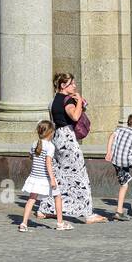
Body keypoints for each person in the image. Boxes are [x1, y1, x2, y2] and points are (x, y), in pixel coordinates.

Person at [38, 72, 106, 223]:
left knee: (59, 176)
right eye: (72, 84)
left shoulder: (53, 101)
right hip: (68, 139)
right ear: (63, 85)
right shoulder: (67, 100)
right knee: (80, 176)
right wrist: (80, 101)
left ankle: (46, 208)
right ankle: (88, 214)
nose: (75, 86)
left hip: (57, 139)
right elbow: (74, 116)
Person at [19, 120, 69, 232]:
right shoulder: (50, 146)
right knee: (58, 197)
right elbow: (48, 164)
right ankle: (60, 223)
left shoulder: (34, 143)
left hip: (35, 177)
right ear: (51, 133)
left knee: (31, 199)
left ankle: (24, 223)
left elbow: (31, 156)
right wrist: (52, 179)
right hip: (45, 178)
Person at [105, 113, 132, 219]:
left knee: (124, 185)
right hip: (127, 160)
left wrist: (108, 152)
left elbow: (111, 136)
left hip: (116, 161)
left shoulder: (119, 130)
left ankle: (119, 212)